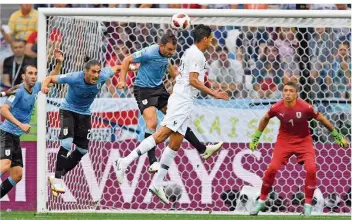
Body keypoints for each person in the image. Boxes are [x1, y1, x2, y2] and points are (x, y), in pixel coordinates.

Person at [115, 25, 229, 204]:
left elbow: (177, 73)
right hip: (173, 98)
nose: (213, 40)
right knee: (159, 132)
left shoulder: (188, 53)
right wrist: (213, 92)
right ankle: (125, 162)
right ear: (205, 39)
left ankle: (157, 183)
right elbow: (192, 80)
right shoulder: (195, 55)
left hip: (173, 95)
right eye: (211, 37)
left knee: (176, 142)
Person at [249, 81, 349, 216]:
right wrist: (256, 136)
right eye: (285, 90)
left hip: (304, 141)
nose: (287, 93)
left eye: (291, 91)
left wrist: (337, 137)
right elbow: (266, 117)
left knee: (312, 169)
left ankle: (307, 206)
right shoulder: (277, 107)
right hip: (284, 142)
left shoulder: (306, 107)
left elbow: (323, 120)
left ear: (296, 94)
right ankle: (261, 202)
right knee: (272, 168)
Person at [41, 58, 123, 197]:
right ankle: (58, 179)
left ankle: (56, 176)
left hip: (85, 114)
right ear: (85, 71)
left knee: (82, 150)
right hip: (68, 111)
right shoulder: (74, 77)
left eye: (98, 72)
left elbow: (118, 67)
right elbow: (49, 78)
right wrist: (44, 86)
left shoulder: (103, 75)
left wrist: (132, 68)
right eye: (93, 72)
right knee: (66, 143)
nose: (96, 75)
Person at [0, 51, 63, 199]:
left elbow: (51, 79)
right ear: (23, 76)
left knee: (17, 175)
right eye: (30, 73)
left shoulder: (35, 88)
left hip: (15, 136)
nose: (33, 76)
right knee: (5, 165)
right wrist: (21, 125)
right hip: (6, 133)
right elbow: (3, 110)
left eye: (35, 73)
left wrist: (59, 63)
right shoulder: (19, 91)